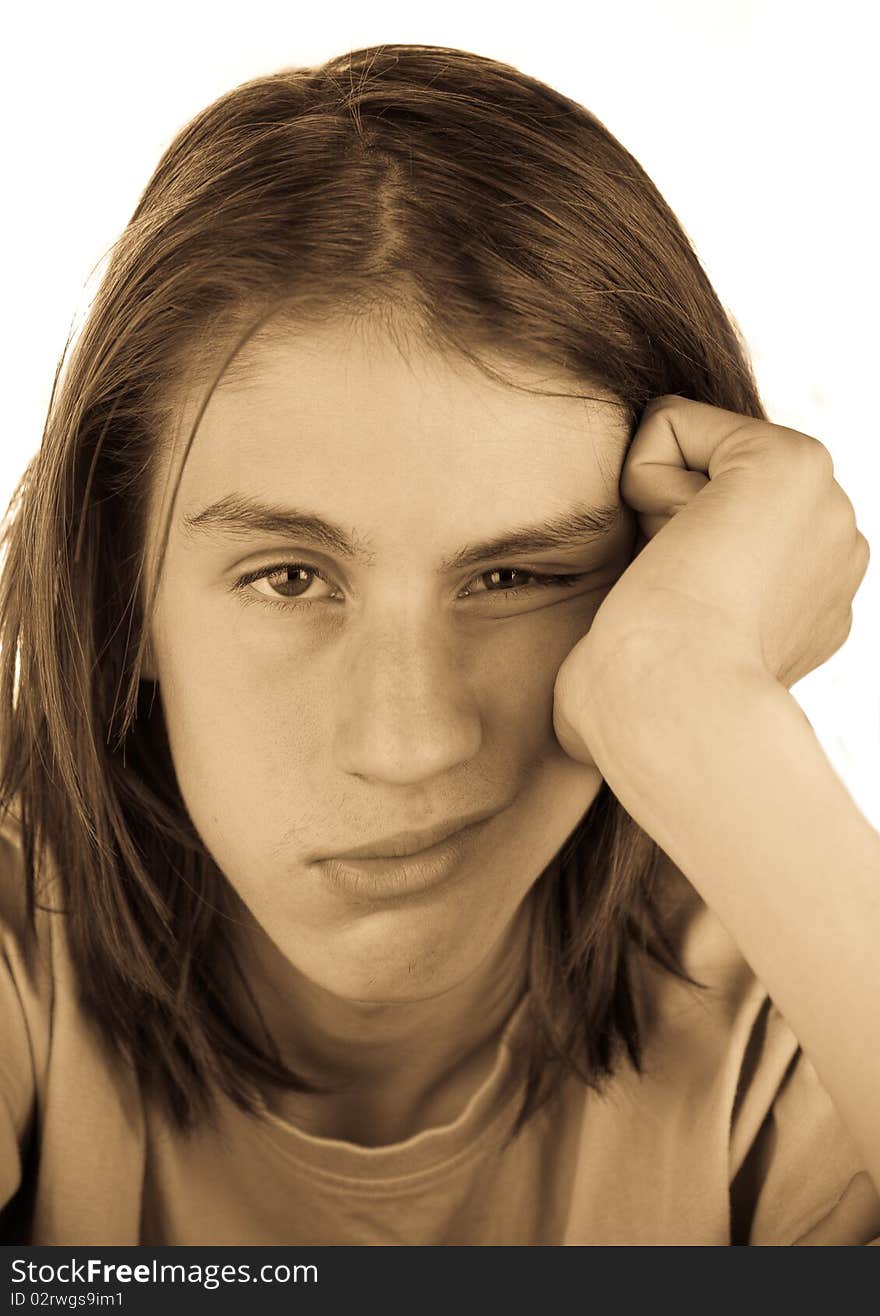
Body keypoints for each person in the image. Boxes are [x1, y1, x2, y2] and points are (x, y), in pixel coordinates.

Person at [1, 43, 877, 1247]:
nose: (408, 744)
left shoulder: (800, 997)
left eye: (515, 575)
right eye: (290, 577)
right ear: (120, 592)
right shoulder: (18, 951)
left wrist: (704, 705)